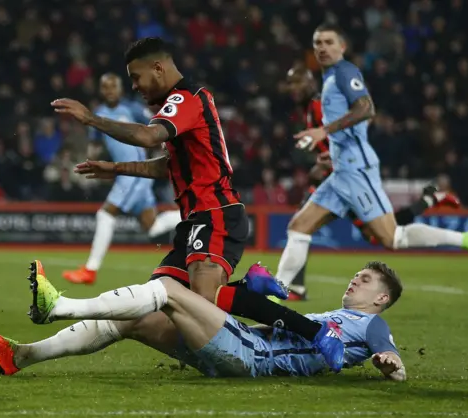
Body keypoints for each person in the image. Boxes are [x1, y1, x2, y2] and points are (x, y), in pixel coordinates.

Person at [50, 37, 346, 370]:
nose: (134, 86)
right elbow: (168, 165)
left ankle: (319, 331)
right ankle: (244, 294)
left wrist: (92, 119)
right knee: (159, 303)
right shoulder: (181, 107)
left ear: (158, 68)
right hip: (194, 221)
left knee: (202, 299)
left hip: (216, 213)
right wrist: (116, 168)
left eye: (136, 76)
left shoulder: (186, 98)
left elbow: (148, 137)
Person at [275, 24, 468, 294]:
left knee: (393, 237)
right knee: (299, 226)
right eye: (318, 42)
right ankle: (278, 296)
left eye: (329, 42)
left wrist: (324, 130)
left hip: (356, 170)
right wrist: (328, 154)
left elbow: (366, 108)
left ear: (342, 47)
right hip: (341, 170)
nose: (322, 47)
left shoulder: (345, 72)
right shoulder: (330, 79)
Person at [0, 260, 405, 381]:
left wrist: (390, 364)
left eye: (365, 280)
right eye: (357, 275)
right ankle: (20, 356)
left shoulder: (369, 325)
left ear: (380, 298)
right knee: (135, 319)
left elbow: (391, 358)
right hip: (236, 343)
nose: (355, 280)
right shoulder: (335, 316)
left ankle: (60, 306)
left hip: (249, 355)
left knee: (168, 288)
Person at [282, 65, 462, 301]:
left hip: (349, 178)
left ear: (310, 83)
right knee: (302, 225)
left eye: (299, 82)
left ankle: (431, 201)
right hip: (335, 179)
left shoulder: (319, 106)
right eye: (291, 83)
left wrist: (335, 160)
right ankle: (294, 287)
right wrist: (324, 161)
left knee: (384, 236)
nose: (294, 88)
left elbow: (355, 125)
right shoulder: (307, 110)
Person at [62, 73, 181, 285]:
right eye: (105, 87)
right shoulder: (98, 113)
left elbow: (158, 127)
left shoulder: (133, 109)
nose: (109, 91)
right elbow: (96, 144)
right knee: (152, 226)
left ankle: (90, 270)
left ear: (120, 89)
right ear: (101, 90)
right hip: (128, 175)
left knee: (105, 215)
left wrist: (165, 148)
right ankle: (194, 214)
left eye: (113, 87)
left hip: (134, 174)